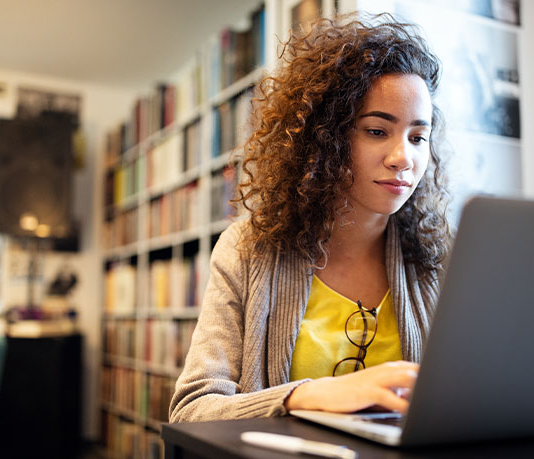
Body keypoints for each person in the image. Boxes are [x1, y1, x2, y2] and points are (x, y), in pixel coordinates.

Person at [170, 13, 451, 423]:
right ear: (325, 137)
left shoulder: (442, 258)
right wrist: (309, 396)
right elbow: (191, 410)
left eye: (417, 137)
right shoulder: (247, 249)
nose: (403, 158)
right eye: (377, 131)